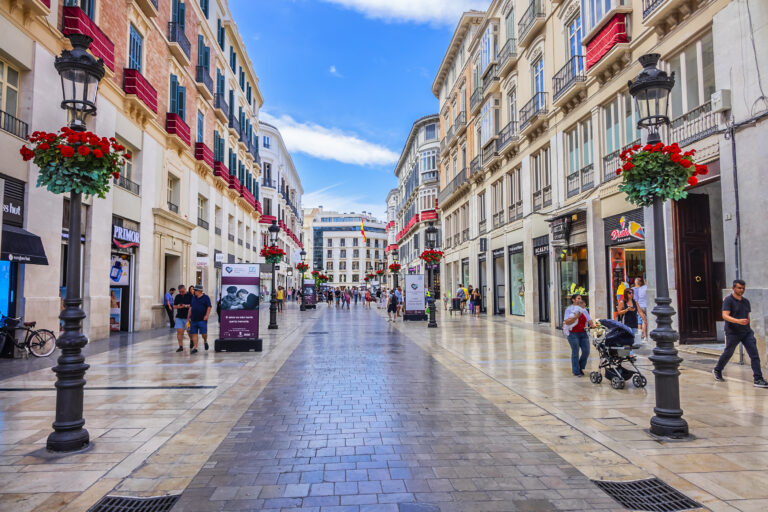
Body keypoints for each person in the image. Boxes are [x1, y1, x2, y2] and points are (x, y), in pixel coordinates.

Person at [713, 280, 768, 387]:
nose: (741, 290)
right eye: (739, 288)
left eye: (743, 288)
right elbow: (725, 315)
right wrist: (738, 321)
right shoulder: (728, 300)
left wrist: (747, 325)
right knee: (728, 353)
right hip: (733, 332)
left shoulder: (746, 301)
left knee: (754, 355)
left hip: (746, 332)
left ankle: (758, 379)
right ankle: (717, 370)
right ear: (733, 288)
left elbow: (747, 316)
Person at [563, 294, 593, 376]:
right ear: (573, 300)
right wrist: (576, 317)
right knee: (575, 352)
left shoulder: (584, 310)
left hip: (583, 333)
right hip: (573, 334)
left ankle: (580, 367)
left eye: (581, 299)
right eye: (578, 298)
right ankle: (576, 371)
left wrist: (593, 325)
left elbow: (589, 319)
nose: (580, 300)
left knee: (586, 351)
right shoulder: (569, 310)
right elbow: (567, 322)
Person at [188, 286, 212, 352]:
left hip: (202, 319)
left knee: (204, 333)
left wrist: (207, 315)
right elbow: (191, 307)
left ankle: (205, 341)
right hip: (193, 319)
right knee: (194, 333)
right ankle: (195, 347)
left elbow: (209, 307)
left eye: (195, 290)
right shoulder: (193, 298)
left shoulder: (206, 297)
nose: (194, 291)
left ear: (199, 291)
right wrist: (188, 317)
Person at [173, 285, 191, 353]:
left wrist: (185, 306)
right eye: (180, 292)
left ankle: (192, 341)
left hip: (188, 317)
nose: (181, 293)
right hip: (179, 317)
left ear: (185, 289)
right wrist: (177, 306)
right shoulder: (177, 296)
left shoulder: (190, 296)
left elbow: (192, 305)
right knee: (179, 332)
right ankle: (180, 346)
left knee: (189, 331)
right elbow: (174, 306)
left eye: (182, 291)